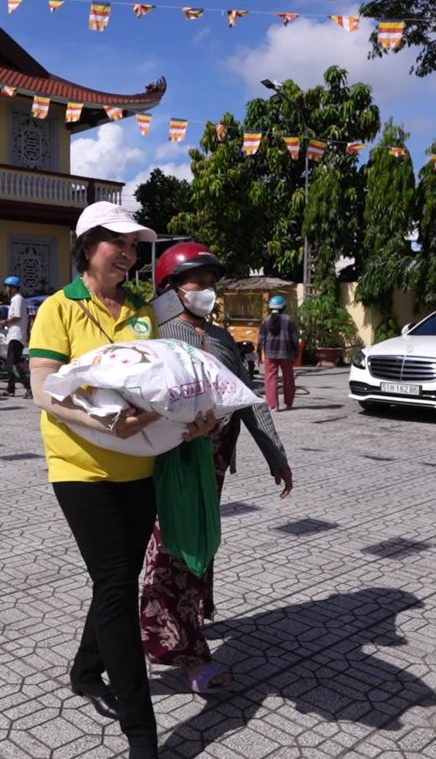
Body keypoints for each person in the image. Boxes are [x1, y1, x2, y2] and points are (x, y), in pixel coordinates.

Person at [27, 201, 215, 759]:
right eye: (120, 245)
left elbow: (163, 377)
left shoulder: (142, 310)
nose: (130, 256)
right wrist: (102, 419)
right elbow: (44, 390)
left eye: (136, 248)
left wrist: (192, 419)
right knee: (115, 585)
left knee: (119, 575)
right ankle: (143, 736)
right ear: (88, 246)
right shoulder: (58, 309)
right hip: (80, 467)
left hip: (140, 465)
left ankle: (87, 669)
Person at [140, 242, 295, 693]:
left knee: (199, 544)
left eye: (212, 284)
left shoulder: (223, 339)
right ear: (171, 288)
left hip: (215, 465)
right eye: (198, 283)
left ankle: (178, 625)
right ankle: (185, 653)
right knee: (173, 554)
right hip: (174, 462)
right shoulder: (156, 335)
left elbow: (248, 400)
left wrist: (276, 455)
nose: (208, 292)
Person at [259, 294, 300, 411]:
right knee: (288, 378)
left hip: (270, 354)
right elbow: (294, 338)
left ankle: (274, 405)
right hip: (286, 354)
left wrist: (259, 353)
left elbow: (261, 338)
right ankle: (289, 403)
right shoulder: (289, 320)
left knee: (270, 379)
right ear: (284, 307)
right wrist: (296, 351)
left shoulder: (265, 320)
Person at [0, 275, 28, 397]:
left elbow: (16, 316)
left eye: (7, 287)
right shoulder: (16, 299)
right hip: (15, 335)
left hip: (16, 336)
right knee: (11, 363)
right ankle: (10, 389)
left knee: (12, 365)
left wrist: (5, 322)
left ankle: (29, 386)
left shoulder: (17, 299)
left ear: (13, 288)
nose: (6, 290)